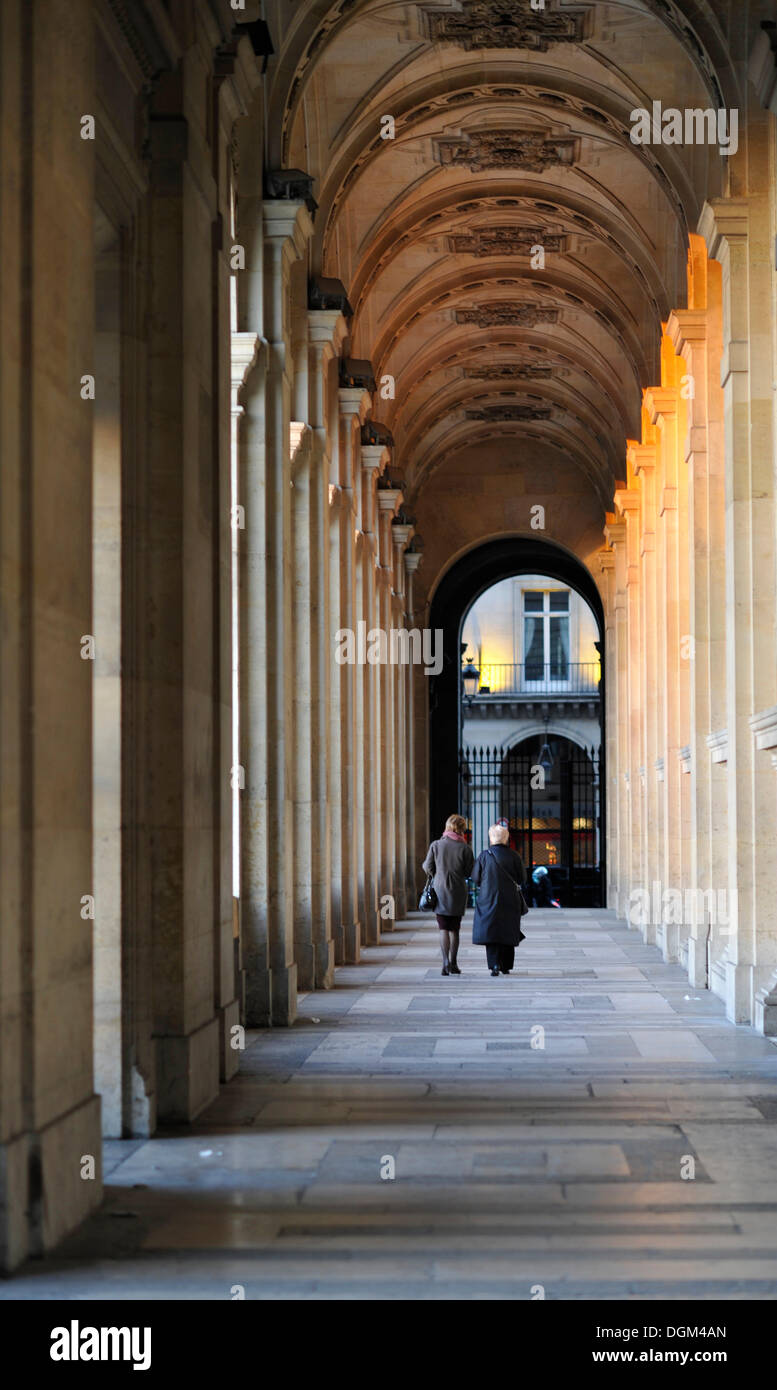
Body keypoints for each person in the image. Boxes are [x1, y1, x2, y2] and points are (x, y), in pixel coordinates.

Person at [470, 823, 527, 976]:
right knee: (508, 930)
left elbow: (475, 878)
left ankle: (494, 965)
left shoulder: (484, 855)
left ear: (491, 838)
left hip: (488, 899)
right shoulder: (514, 856)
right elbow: (522, 878)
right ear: (506, 838)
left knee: (492, 931)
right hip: (510, 899)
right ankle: (506, 966)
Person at [422, 815, 474, 975]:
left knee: (443, 928)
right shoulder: (465, 848)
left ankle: (444, 961)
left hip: (440, 889)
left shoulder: (436, 845)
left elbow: (427, 866)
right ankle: (454, 963)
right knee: (455, 929)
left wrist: (438, 874)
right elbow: (469, 871)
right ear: (462, 829)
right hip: (458, 891)